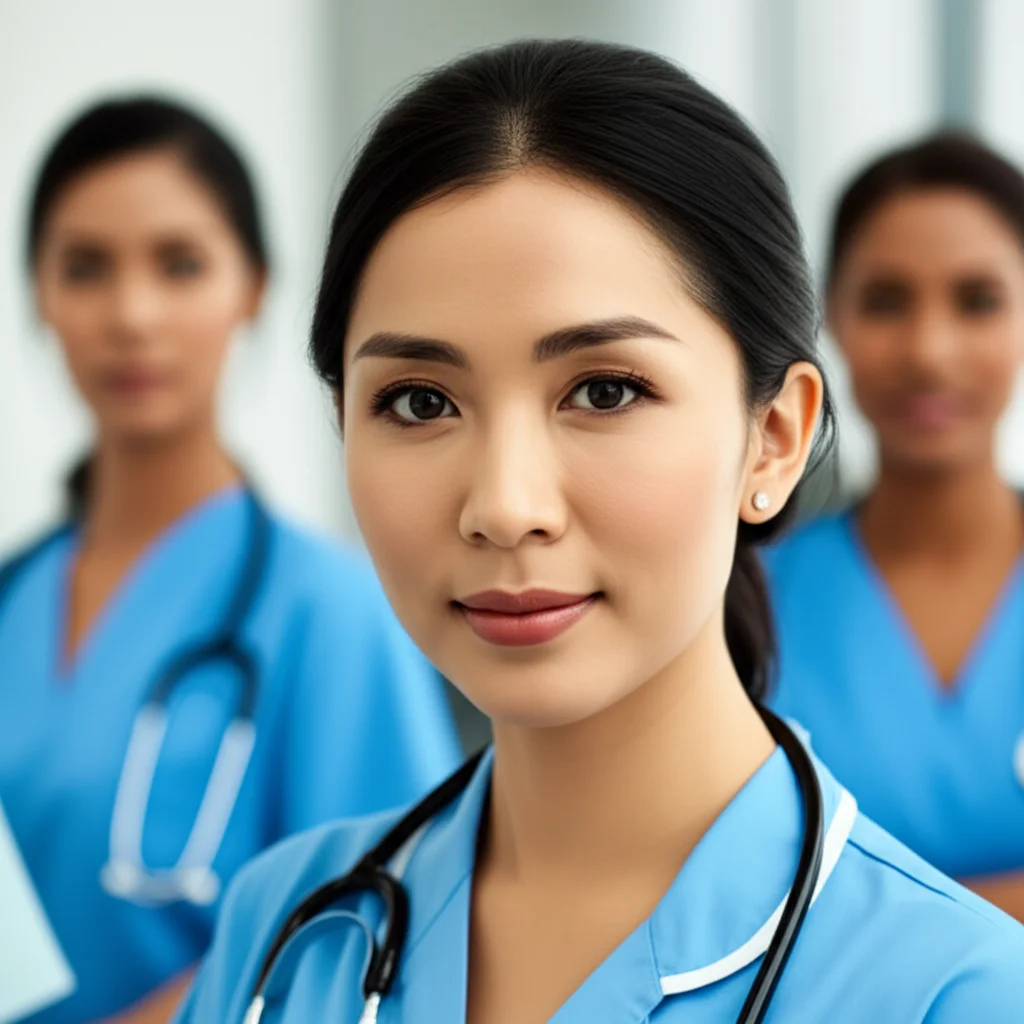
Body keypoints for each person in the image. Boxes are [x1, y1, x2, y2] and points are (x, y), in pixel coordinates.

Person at [175, 42, 1024, 1024]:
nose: (502, 503)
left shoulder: (954, 991)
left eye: (604, 389)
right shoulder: (282, 939)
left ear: (773, 440)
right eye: (417, 401)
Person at [0, 97, 462, 1024]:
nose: (131, 315)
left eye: (179, 265)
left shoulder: (330, 612)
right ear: (40, 295)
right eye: (85, 268)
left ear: (251, 287)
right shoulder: (13, 596)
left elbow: (388, 917)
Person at [764, 134, 1024, 924]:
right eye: (886, 300)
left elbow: (802, 912)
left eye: (977, 300)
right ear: (829, 317)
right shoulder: (743, 602)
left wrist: (865, 920)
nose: (929, 351)